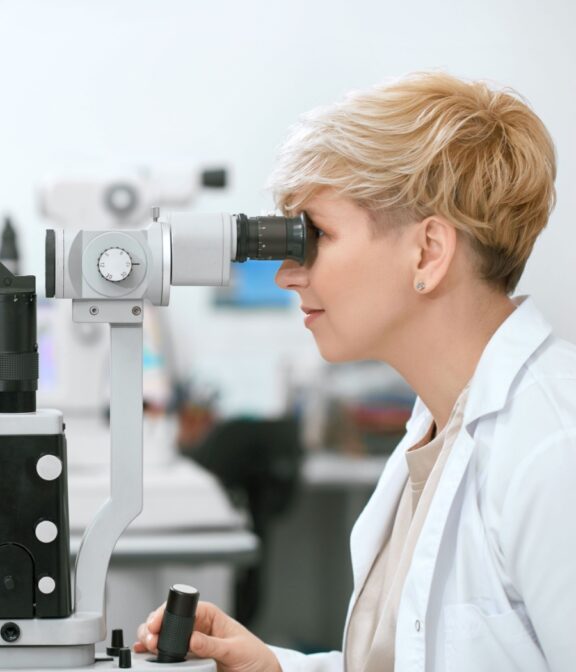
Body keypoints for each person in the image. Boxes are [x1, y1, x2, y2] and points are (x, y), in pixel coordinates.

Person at [136, 72, 576, 670]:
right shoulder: (436, 428)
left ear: (427, 252)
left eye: (314, 234)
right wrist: (275, 667)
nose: (288, 273)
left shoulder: (552, 452)